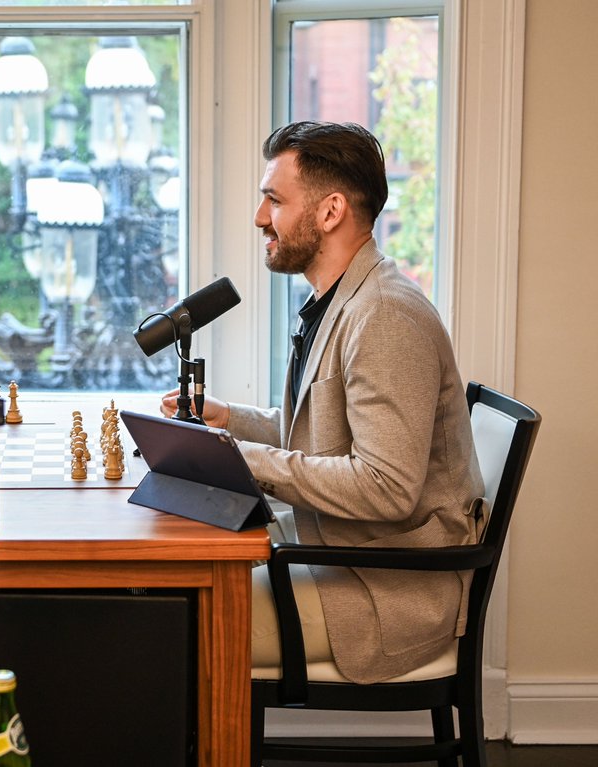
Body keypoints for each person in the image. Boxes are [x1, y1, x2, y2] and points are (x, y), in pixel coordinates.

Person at [162, 121, 484, 684]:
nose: (261, 217)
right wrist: (228, 420)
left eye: (274, 199)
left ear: (330, 211)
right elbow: (327, 437)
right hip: (335, 556)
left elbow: (387, 487)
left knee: (174, 621)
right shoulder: (340, 300)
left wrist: (239, 459)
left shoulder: (385, 315)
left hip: (384, 591)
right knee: (171, 595)